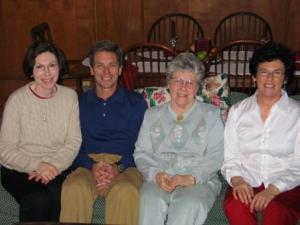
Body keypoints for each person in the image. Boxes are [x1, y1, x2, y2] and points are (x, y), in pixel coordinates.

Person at [60, 40, 147, 225]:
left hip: (126, 165)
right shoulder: (78, 104)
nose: (106, 72)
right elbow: (71, 144)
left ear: (120, 69)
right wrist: (92, 165)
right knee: (74, 188)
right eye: (100, 66)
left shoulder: (136, 102)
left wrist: (119, 167)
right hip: (88, 164)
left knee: (125, 192)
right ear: (91, 70)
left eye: (112, 65)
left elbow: (144, 146)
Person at [134, 52, 224, 225]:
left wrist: (191, 178)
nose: (183, 87)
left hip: (198, 180)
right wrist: (156, 175)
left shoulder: (211, 114)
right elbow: (141, 152)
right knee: (150, 200)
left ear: (197, 87)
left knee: (187, 205)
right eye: (178, 81)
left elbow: (217, 156)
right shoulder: (152, 115)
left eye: (190, 82)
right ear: (169, 84)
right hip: (160, 177)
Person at [0, 42, 82, 222]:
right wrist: (38, 165)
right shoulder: (17, 101)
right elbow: (5, 150)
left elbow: (73, 141)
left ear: (59, 67)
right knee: (38, 199)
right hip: (20, 168)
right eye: (40, 67)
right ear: (31, 71)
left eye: (52, 66)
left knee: (61, 194)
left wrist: (52, 167)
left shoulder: (70, 97)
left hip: (57, 166)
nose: (47, 73)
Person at [222, 41, 300, 225]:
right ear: (254, 77)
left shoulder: (297, 115)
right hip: (247, 180)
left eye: (277, 72)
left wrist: (273, 190)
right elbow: (230, 159)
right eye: (264, 72)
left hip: (287, 184)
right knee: (235, 206)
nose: (270, 79)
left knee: (276, 211)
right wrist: (238, 180)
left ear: (286, 78)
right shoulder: (237, 112)